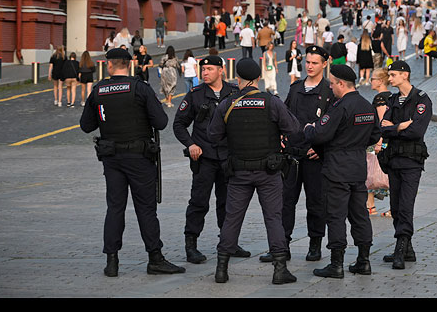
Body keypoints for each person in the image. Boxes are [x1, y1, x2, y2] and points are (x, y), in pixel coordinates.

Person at [79, 47, 185, 277]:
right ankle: (155, 258)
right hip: (139, 158)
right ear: (129, 65)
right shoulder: (139, 88)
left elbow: (86, 125)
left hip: (112, 159)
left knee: (115, 208)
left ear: (108, 65)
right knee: (146, 209)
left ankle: (112, 261)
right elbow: (161, 122)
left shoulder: (99, 90)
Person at [207, 58, 300, 285]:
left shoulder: (227, 104)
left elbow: (213, 135)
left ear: (237, 78)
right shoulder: (271, 102)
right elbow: (294, 128)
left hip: (238, 171)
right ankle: (279, 270)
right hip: (268, 172)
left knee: (232, 219)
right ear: (258, 79)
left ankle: (221, 269)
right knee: (273, 218)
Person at [303, 64, 381, 278]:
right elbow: (375, 135)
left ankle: (336, 264)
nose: (331, 87)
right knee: (360, 214)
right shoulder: (366, 106)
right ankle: (364, 261)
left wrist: (309, 128)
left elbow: (320, 134)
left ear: (340, 83)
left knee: (335, 216)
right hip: (357, 167)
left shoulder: (340, 107)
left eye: (332, 83)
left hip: (336, 167)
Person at [173, 55, 249, 265]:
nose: (204, 73)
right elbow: (179, 124)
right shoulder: (195, 95)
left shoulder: (234, 93)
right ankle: (191, 245)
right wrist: (190, 144)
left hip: (227, 158)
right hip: (204, 157)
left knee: (228, 204)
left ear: (221, 70)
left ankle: (228, 243)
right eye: (202, 69)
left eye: (209, 69)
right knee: (199, 202)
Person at [260, 45, 332, 264]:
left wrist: (320, 149)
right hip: (292, 155)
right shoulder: (295, 87)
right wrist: (279, 138)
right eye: (307, 62)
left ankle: (315, 244)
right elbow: (284, 114)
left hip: (314, 157)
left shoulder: (329, 91)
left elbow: (334, 126)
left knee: (316, 202)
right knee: (284, 202)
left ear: (324, 64)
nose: (309, 66)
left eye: (314, 63)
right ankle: (282, 246)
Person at [379, 60, 433, 269]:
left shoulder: (421, 100)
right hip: (393, 161)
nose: (389, 79)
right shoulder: (393, 100)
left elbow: (416, 132)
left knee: (405, 206)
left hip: (411, 162)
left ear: (404, 75)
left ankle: (400, 248)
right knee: (395, 206)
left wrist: (394, 127)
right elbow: (382, 128)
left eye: (392, 75)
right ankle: (407, 250)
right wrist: (400, 126)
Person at [367, 67, 391, 216]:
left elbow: (382, 121)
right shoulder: (391, 96)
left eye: (373, 78)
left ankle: (371, 205)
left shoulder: (380, 98)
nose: (371, 81)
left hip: (379, 141)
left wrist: (379, 143)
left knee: (372, 173)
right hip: (385, 141)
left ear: (381, 81)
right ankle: (372, 205)